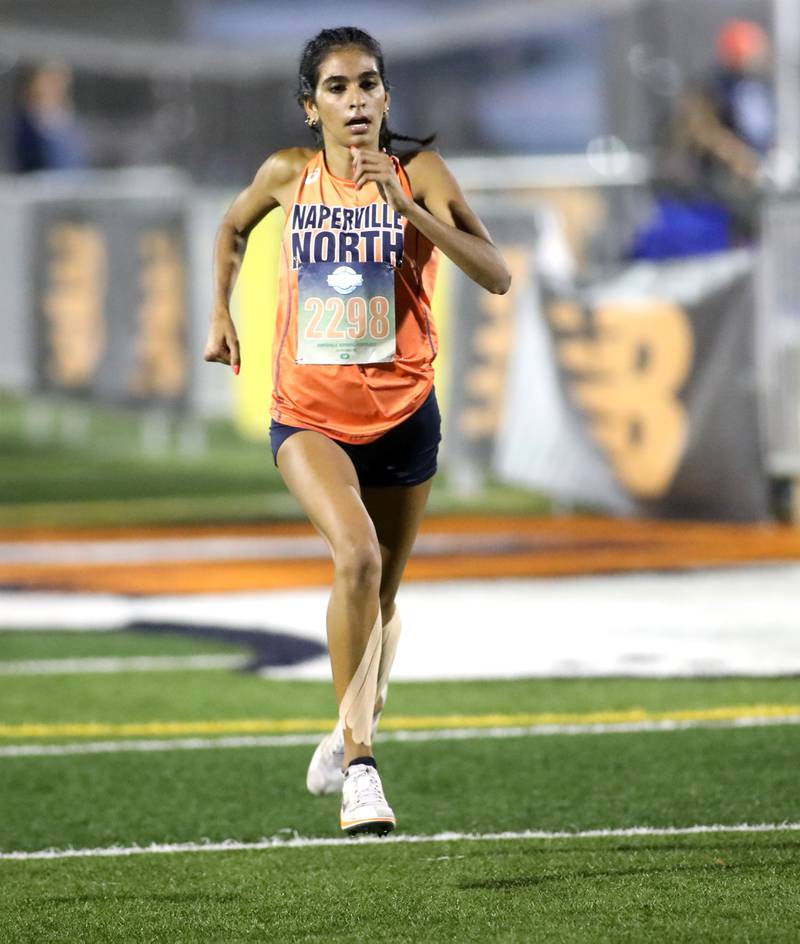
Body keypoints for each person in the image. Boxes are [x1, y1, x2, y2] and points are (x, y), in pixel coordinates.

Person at [204, 26, 511, 835]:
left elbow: (497, 273)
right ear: (311, 107)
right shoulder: (287, 177)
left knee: (383, 600)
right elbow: (231, 228)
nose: (356, 101)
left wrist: (406, 209)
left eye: (369, 84)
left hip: (406, 416)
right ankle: (363, 769)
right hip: (308, 416)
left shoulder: (423, 175)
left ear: (387, 98)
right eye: (337, 88)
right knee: (359, 557)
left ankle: (349, 723)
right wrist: (221, 314)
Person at [631, 19, 774, 259]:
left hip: (755, 179)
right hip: (719, 185)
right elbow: (703, 131)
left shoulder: (758, 89)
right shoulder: (713, 89)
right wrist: (737, 156)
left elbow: (761, 130)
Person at [12, 63, 87, 173]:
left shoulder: (68, 116)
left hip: (71, 180)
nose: (57, 87)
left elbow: (78, 155)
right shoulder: (26, 118)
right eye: (51, 81)